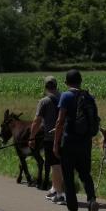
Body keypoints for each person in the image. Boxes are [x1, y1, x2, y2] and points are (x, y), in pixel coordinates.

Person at [53, 69, 100, 211]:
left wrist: (55, 144)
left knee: (68, 178)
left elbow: (60, 122)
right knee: (85, 174)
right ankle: (92, 200)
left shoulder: (66, 96)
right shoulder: (88, 97)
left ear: (66, 83)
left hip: (69, 143)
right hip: (85, 143)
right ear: (80, 81)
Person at [29, 76, 65, 204]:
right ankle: (55, 189)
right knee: (60, 164)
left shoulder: (44, 101)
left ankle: (60, 195)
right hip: (66, 137)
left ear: (45, 87)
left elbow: (36, 121)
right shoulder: (64, 97)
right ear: (56, 85)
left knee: (55, 166)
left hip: (51, 138)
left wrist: (32, 137)